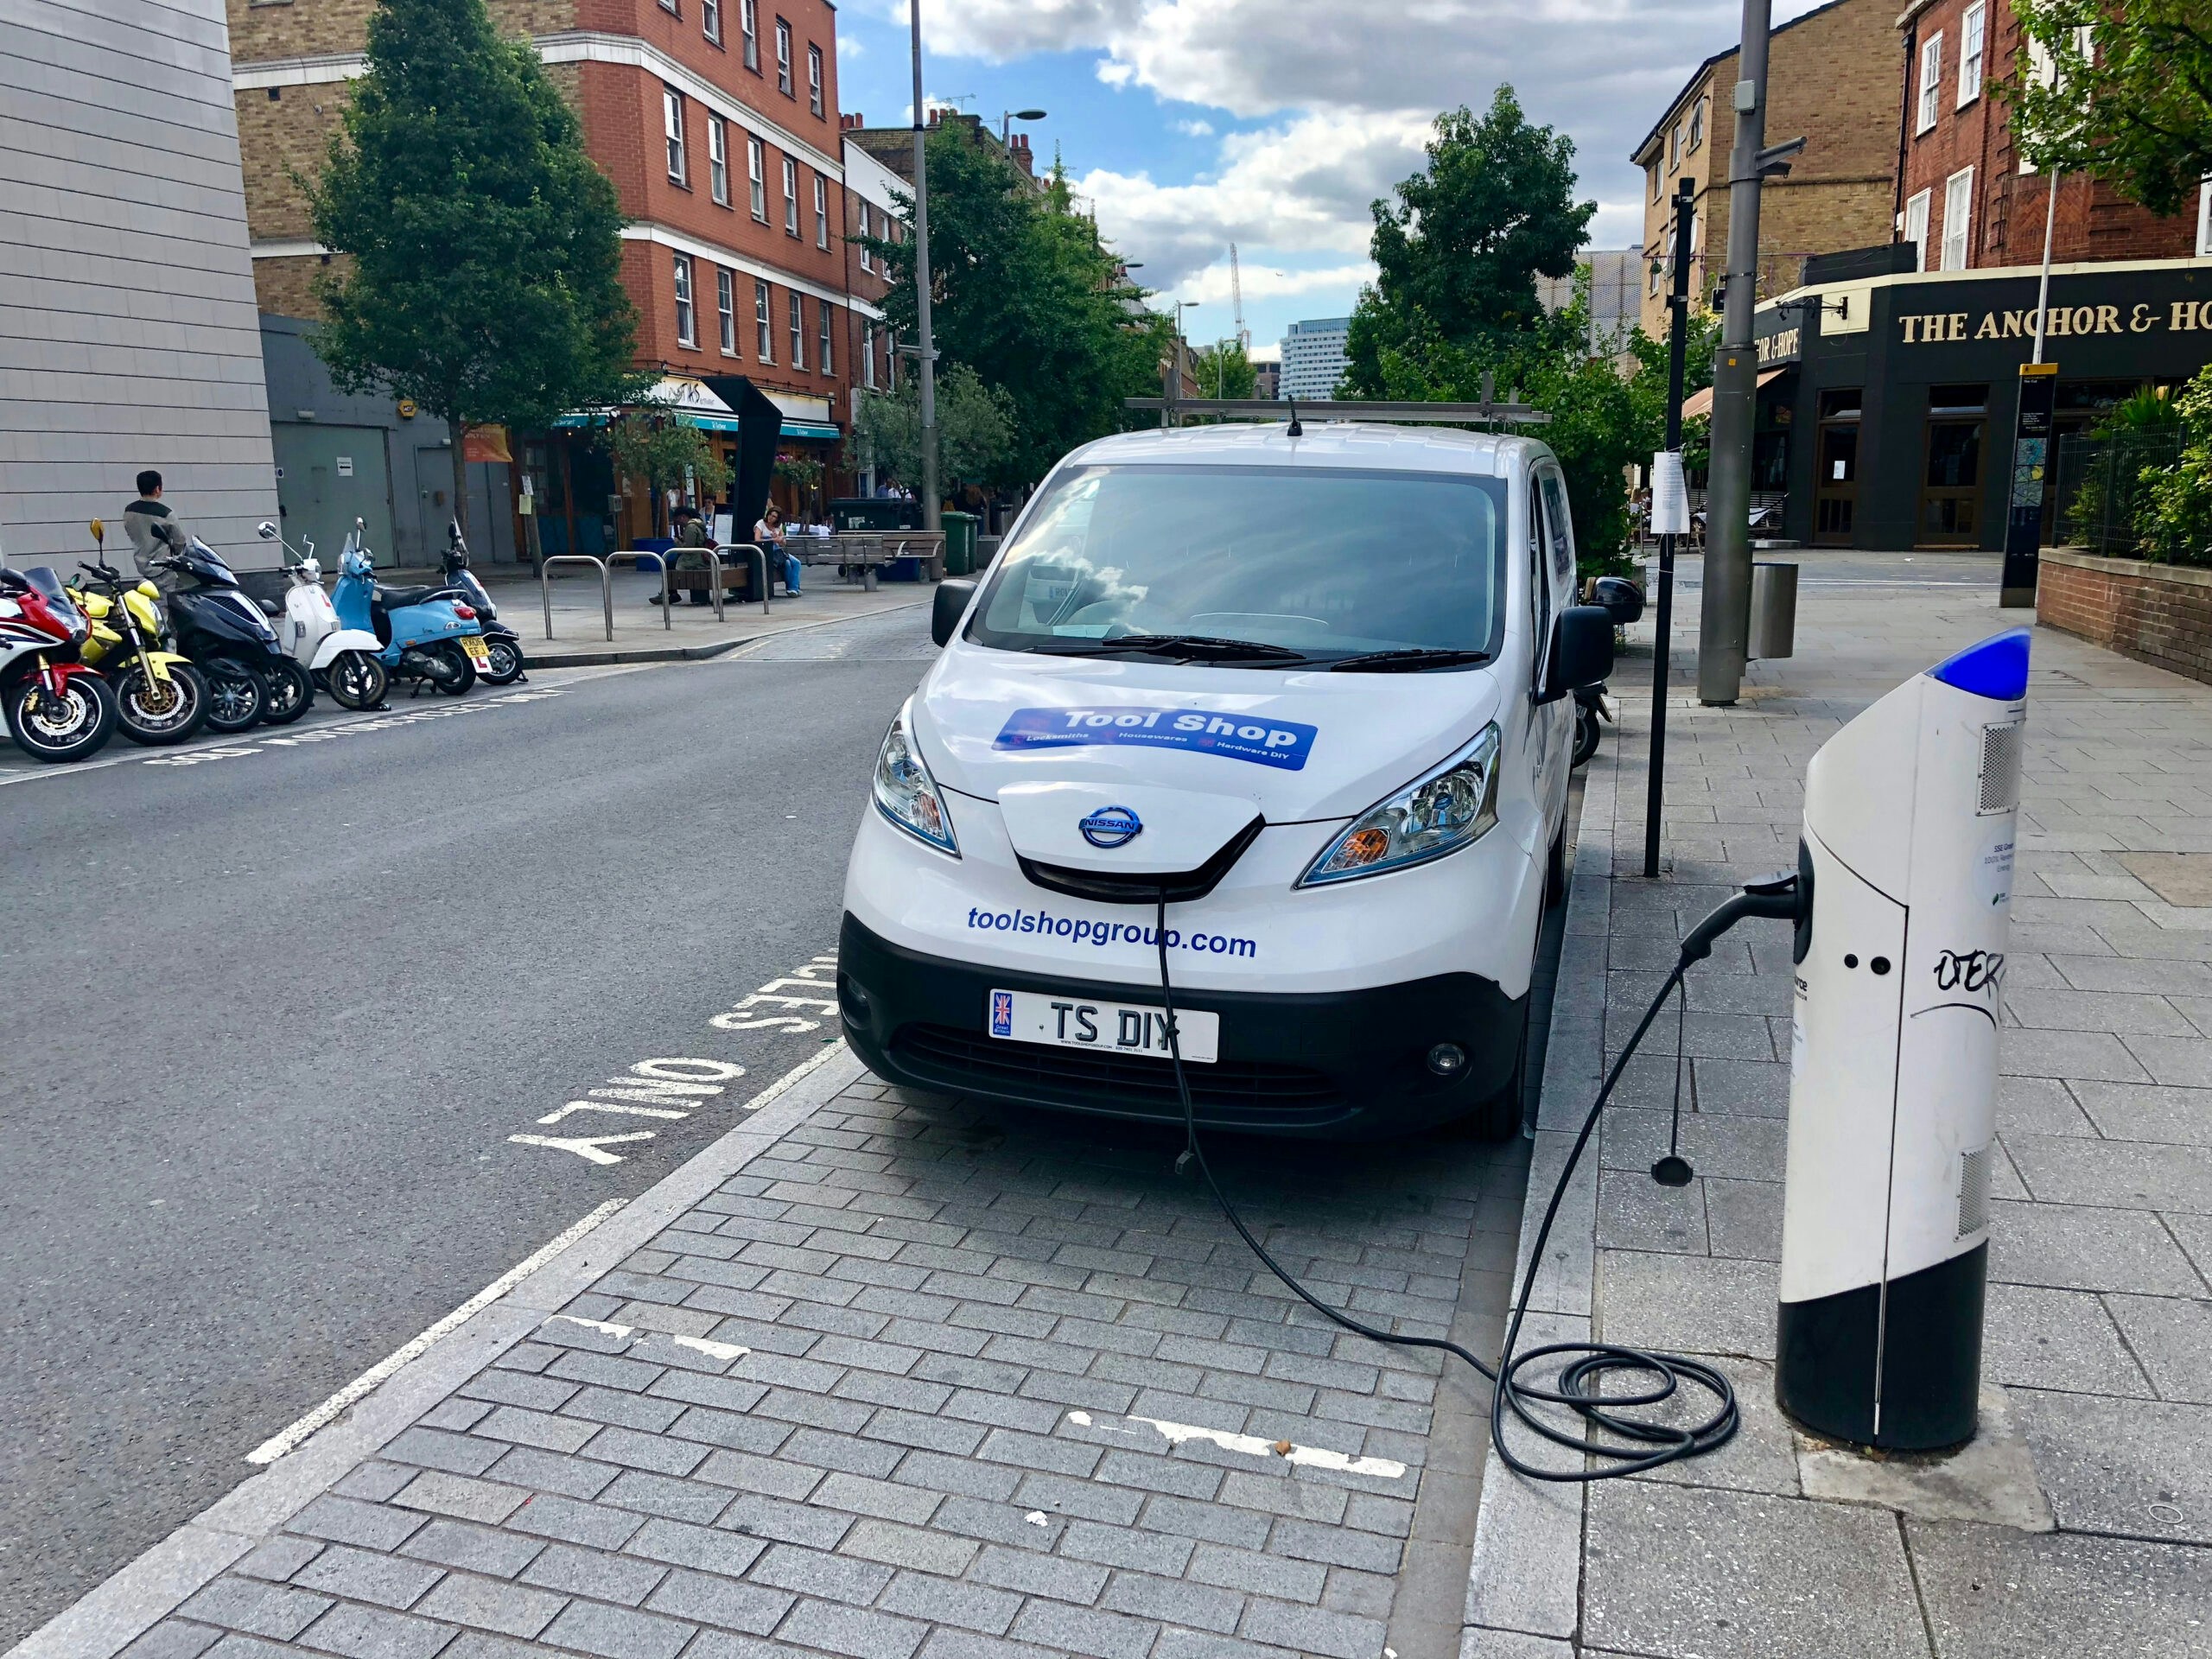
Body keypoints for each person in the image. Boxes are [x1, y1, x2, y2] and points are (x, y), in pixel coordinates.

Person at [123, 470, 189, 593]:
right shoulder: (166, 514)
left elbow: (130, 532)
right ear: (157, 489)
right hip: (163, 570)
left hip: (143, 570)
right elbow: (180, 541)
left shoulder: (129, 511)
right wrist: (175, 550)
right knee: (166, 607)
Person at [665, 504, 714, 606]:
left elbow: (688, 549)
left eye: (678, 520)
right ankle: (668, 593)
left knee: (668, 565)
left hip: (695, 560)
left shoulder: (691, 527)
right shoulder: (698, 524)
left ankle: (671, 593)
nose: (679, 524)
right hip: (700, 558)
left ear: (683, 517)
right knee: (670, 563)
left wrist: (678, 543)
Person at [754, 505, 800, 597]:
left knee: (796, 563)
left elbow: (783, 543)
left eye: (774, 517)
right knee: (787, 564)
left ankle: (793, 589)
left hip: (778, 551)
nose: (771, 518)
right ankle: (793, 588)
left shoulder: (778, 526)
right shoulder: (761, 524)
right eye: (770, 515)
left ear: (777, 519)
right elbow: (757, 540)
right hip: (767, 550)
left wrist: (778, 538)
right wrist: (772, 540)